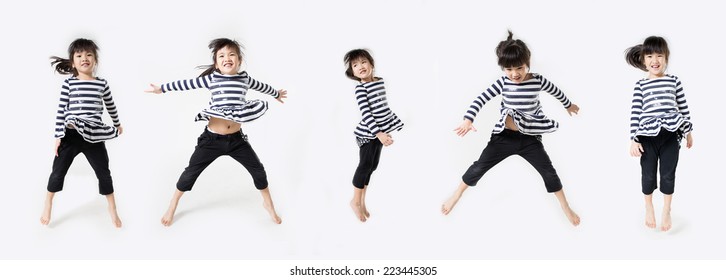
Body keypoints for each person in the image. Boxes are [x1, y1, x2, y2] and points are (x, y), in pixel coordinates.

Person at [441, 31, 580, 226]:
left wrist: (568, 105)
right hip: (504, 138)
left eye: (519, 68)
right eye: (509, 69)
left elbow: (556, 92)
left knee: (549, 172)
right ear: (503, 69)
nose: (515, 73)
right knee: (479, 165)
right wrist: (468, 119)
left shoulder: (537, 80)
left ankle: (565, 207)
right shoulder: (503, 83)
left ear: (527, 63)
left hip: (530, 139)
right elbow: (481, 98)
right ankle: (456, 194)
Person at [146, 38, 287, 226]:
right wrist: (162, 89)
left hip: (237, 141)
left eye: (231, 55)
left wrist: (276, 94)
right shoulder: (212, 79)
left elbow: (262, 86)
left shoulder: (245, 79)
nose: (227, 58)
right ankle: (173, 203)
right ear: (216, 64)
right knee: (190, 173)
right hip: (211, 140)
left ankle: (268, 204)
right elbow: (186, 84)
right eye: (221, 56)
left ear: (239, 60)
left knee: (258, 171)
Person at [42, 38, 124, 228]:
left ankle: (112, 209)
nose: (84, 58)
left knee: (104, 173)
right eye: (79, 55)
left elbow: (110, 106)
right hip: (71, 134)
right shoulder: (69, 84)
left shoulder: (101, 83)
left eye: (89, 55)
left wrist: (117, 124)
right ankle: (48, 203)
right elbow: (61, 111)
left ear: (95, 60)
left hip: (94, 135)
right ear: (73, 62)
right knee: (57, 172)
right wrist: (58, 137)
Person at [625, 36, 693, 232]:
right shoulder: (640, 85)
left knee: (668, 174)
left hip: (672, 134)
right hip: (647, 137)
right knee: (647, 175)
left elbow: (683, 107)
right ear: (644, 60)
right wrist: (633, 139)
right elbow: (635, 113)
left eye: (659, 55)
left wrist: (688, 132)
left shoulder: (674, 81)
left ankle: (667, 209)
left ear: (666, 58)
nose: (655, 60)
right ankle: (648, 207)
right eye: (650, 56)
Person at [344, 49, 404, 222]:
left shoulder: (379, 82)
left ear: (371, 64)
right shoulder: (361, 89)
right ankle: (355, 201)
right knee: (364, 166)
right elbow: (367, 114)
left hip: (380, 132)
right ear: (352, 72)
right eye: (355, 65)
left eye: (363, 62)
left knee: (372, 166)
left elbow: (383, 108)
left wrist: (392, 125)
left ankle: (362, 201)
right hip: (369, 134)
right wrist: (378, 134)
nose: (360, 66)